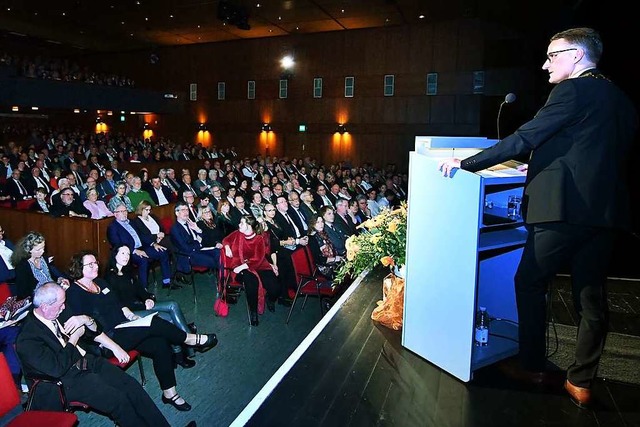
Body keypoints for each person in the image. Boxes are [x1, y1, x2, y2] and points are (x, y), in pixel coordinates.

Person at [437, 28, 638, 407]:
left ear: (576, 56)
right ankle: (581, 381)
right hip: (605, 214)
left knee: (529, 281)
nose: (546, 65)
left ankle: (532, 364)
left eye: (552, 55)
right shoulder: (622, 100)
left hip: (563, 210)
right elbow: (588, 151)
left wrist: (467, 163)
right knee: (591, 298)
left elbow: (525, 137)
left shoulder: (572, 90)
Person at [65, 251, 218, 412]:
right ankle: (188, 339)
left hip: (123, 328)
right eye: (90, 264)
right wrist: (115, 348)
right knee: (155, 323)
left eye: (96, 262)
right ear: (79, 268)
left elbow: (118, 304)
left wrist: (131, 315)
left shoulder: (101, 283)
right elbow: (89, 333)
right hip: (107, 341)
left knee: (160, 344)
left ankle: (169, 394)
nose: (96, 266)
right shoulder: (74, 293)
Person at [15, 282, 180, 427]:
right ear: (45, 307)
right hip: (63, 381)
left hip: (86, 361)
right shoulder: (28, 338)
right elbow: (57, 368)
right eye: (61, 304)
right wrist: (74, 339)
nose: (64, 307)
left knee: (132, 387)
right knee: (118, 400)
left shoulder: (58, 312)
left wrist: (86, 319)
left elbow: (94, 332)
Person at [103, 245, 196, 364]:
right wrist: (142, 305)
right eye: (123, 253)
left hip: (140, 305)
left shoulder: (127, 271)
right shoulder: (110, 278)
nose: (126, 257)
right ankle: (180, 353)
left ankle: (187, 343)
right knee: (168, 318)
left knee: (173, 304)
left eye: (128, 254)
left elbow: (139, 289)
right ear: (115, 255)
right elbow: (119, 303)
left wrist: (147, 298)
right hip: (129, 312)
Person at [222, 216, 283, 326]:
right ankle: (253, 311)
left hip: (259, 266)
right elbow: (226, 240)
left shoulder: (259, 239)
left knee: (275, 288)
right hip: (240, 267)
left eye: (242, 223)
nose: (239, 225)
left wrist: (243, 266)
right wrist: (227, 247)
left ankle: (270, 299)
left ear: (249, 226)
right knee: (251, 283)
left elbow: (258, 259)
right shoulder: (237, 234)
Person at [12, 231, 70, 300]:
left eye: (43, 248)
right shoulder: (22, 266)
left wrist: (60, 279)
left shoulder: (43, 258)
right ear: (29, 250)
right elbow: (23, 292)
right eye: (38, 250)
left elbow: (49, 276)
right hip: (38, 297)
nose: (42, 251)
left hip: (52, 290)